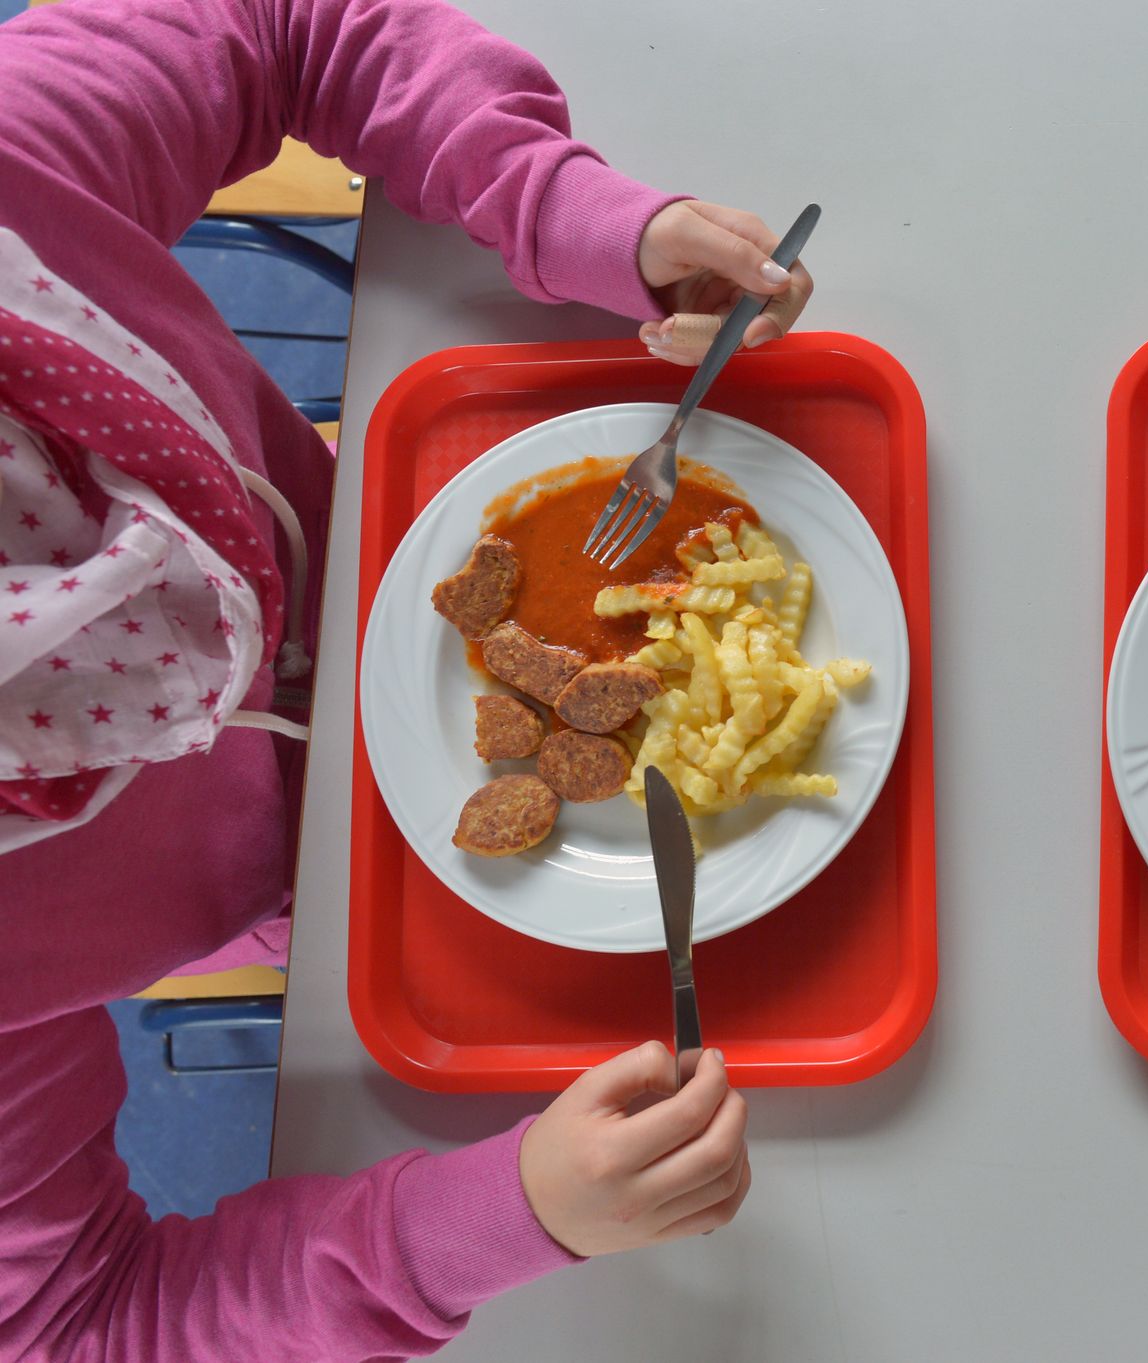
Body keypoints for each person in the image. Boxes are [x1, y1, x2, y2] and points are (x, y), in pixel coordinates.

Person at [0, 0, 814, 1354]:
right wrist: (504, 1218)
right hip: (346, 910)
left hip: (416, 510)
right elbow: (79, 1320)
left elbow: (282, 26)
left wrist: (569, 212)